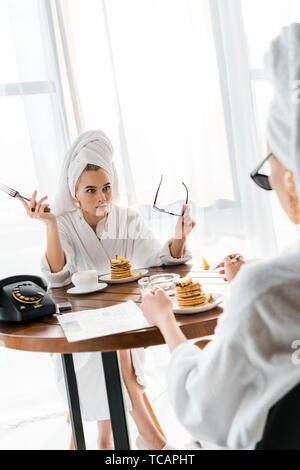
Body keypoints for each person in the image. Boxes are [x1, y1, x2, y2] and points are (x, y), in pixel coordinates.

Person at [141, 23, 300, 450]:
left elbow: (202, 409)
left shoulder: (270, 290)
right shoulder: (268, 288)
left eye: (273, 161)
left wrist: (166, 322)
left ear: (291, 181)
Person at [18, 129, 196, 450]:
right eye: (91, 190)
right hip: (77, 326)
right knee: (113, 347)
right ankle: (144, 434)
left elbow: (159, 260)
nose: (102, 197)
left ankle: (105, 439)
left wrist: (179, 236)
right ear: (75, 192)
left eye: (107, 188)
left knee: (117, 338)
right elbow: (58, 279)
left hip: (121, 319)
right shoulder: (64, 222)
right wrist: (50, 226)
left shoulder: (126, 219)